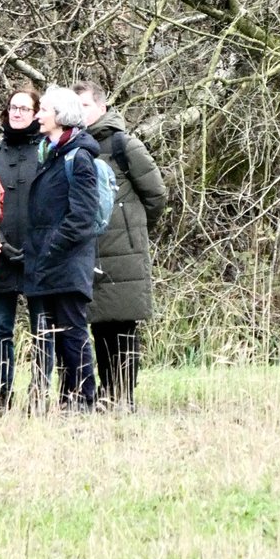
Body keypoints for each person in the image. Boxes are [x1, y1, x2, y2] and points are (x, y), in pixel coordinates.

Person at [74, 80, 167, 411]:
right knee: (99, 324)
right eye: (76, 106)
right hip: (90, 249)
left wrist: (133, 230)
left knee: (124, 325)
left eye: (85, 105)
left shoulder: (124, 144)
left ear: (101, 108)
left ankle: (123, 396)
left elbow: (156, 195)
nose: (80, 112)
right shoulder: (74, 147)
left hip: (124, 250)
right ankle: (106, 391)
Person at [21, 86, 101, 412]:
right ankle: (68, 400)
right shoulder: (49, 152)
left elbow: (82, 217)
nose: (38, 115)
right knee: (57, 332)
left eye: (44, 110)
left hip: (67, 261)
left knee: (72, 333)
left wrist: (52, 248)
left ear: (61, 115)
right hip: (49, 261)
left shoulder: (78, 157)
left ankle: (84, 400)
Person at [0, 86, 53, 412]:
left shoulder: (47, 149)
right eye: (13, 107)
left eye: (24, 108)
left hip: (39, 255)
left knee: (43, 326)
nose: (17, 113)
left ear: (35, 113)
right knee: (0, 328)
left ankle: (40, 394)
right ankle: (2, 395)